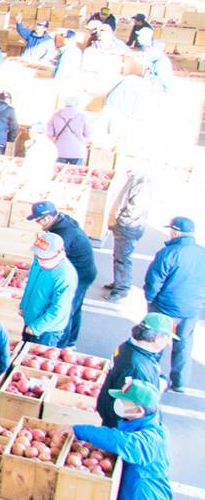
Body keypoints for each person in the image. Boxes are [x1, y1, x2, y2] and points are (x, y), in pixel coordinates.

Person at [144, 216, 205, 393]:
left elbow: (154, 280)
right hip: (191, 308)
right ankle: (179, 382)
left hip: (165, 306)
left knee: (154, 340)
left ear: (175, 232)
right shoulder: (202, 253)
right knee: (184, 342)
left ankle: (150, 378)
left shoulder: (168, 254)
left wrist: (150, 297)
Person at [27, 201, 96, 347]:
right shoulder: (61, 222)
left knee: (68, 308)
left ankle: (62, 345)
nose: (38, 223)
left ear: (47, 218)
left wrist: (37, 327)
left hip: (81, 274)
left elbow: (58, 309)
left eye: (38, 220)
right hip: (84, 270)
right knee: (74, 306)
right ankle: (71, 340)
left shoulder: (63, 236)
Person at [96, 314, 172, 428]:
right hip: (124, 425)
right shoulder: (136, 367)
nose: (169, 343)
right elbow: (133, 405)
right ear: (157, 338)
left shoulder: (128, 347)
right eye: (167, 338)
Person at [20, 232, 78, 345]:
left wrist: (36, 327)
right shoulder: (38, 260)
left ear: (58, 252)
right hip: (30, 319)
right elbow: (31, 286)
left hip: (47, 331)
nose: (40, 257)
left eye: (44, 255)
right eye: (38, 254)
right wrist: (24, 307)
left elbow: (59, 308)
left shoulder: (64, 275)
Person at [104, 167, 151, 302]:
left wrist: (120, 221)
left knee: (123, 258)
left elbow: (133, 210)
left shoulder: (141, 186)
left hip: (128, 228)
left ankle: (121, 288)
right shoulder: (135, 181)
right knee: (119, 256)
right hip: (125, 227)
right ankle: (119, 282)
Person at [47, 96, 90, 165]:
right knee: (74, 174)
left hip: (59, 150)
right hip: (77, 151)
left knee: (57, 173)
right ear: (77, 104)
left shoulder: (55, 115)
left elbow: (50, 133)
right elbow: (88, 134)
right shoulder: (82, 116)